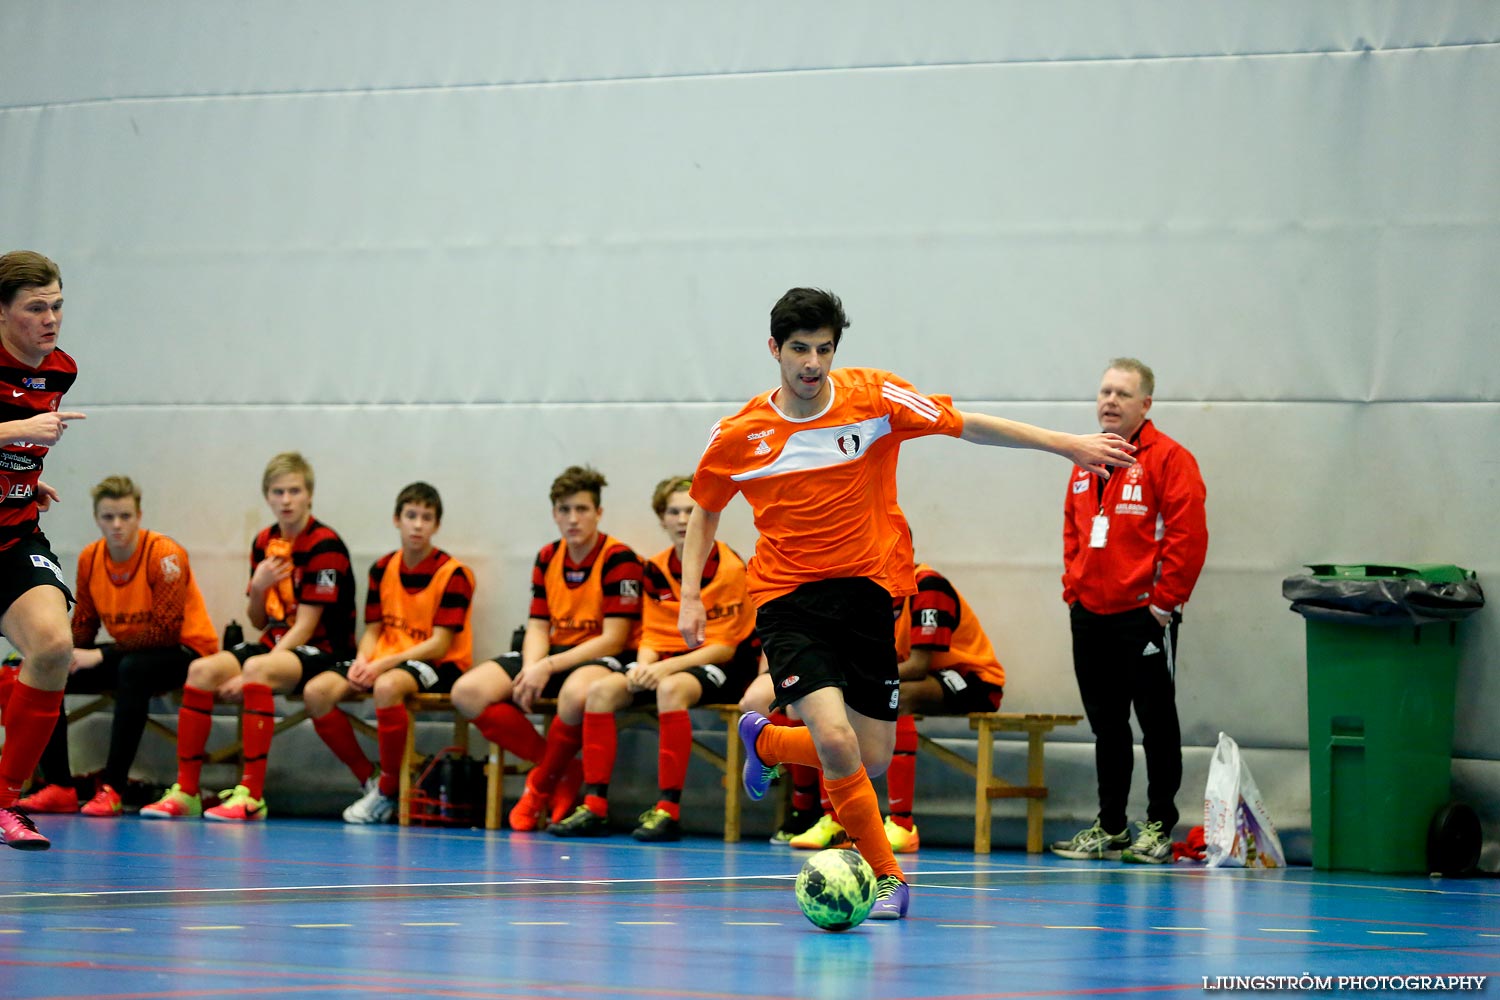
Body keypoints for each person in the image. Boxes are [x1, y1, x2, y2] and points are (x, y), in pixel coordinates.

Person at [680, 287, 1134, 918]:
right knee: (836, 740)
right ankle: (888, 878)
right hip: (788, 600)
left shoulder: (876, 397)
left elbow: (966, 424)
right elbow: (704, 510)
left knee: (870, 757)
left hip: (869, 597)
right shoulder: (739, 435)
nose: (812, 364)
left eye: (824, 350)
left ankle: (769, 744)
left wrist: (1067, 445)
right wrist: (688, 600)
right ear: (774, 351)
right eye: (799, 350)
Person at [140, 452, 356, 822]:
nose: (286, 500)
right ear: (267, 496)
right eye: (277, 492)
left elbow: (304, 627)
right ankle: (187, 791)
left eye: (294, 491)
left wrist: (250, 673)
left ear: (309, 496)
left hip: (324, 651)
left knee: (256, 668)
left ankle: (252, 796)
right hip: (277, 644)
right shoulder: (264, 542)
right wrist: (258, 588)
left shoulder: (325, 545)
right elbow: (259, 621)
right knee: (201, 672)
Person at [1050, 358, 1207, 864]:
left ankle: (1158, 826)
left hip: (1143, 616)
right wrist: (1073, 588)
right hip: (1089, 612)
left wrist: (1161, 609)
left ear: (1146, 404)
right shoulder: (1084, 459)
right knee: (1107, 726)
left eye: (1122, 394)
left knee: (1157, 723)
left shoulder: (1169, 459)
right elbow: (1074, 531)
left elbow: (1187, 539)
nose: (1110, 401)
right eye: (1104, 392)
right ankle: (1112, 825)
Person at [548, 475, 758, 841]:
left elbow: (723, 647)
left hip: (718, 665)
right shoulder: (655, 568)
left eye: (689, 511)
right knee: (600, 692)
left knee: (670, 690)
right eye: (673, 511)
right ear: (661, 519)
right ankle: (594, 807)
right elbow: (652, 634)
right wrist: (643, 666)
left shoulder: (729, 567)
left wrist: (661, 669)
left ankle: (668, 810)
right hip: (665, 662)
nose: (681, 519)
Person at [449, 465, 643, 831]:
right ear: (554, 513)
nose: (573, 519)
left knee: (573, 695)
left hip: (602, 656)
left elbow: (614, 638)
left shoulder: (620, 559)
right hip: (556, 652)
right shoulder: (547, 556)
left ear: (598, 513)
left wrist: (548, 666)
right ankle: (560, 769)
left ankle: (539, 786)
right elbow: (538, 624)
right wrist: (533, 665)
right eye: (564, 510)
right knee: (468, 692)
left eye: (582, 509)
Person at [15, 476, 219, 817]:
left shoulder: (165, 554)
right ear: (97, 519)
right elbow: (84, 624)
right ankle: (59, 786)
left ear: (139, 516)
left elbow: (166, 631)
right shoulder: (91, 558)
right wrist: (60, 654)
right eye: (108, 517)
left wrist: (101, 654)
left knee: (132, 670)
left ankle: (113, 787)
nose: (117, 525)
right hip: (128, 653)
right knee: (50, 671)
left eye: (125, 516)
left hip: (184, 653)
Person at [783, 562, 1006, 855]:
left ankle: (902, 824)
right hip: (907, 677)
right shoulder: (864, 590)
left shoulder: (928, 587)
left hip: (970, 678)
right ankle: (836, 821)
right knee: (826, 705)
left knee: (895, 698)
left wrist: (861, 681)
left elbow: (920, 664)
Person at [302, 482, 475, 824]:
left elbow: (439, 644)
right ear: (396, 519)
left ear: (436, 525)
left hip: (439, 664)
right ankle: (370, 778)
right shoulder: (382, 569)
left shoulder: (454, 574)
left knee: (387, 687)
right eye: (411, 515)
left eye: (426, 518)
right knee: (316, 692)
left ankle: (388, 789)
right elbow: (374, 630)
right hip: (386, 660)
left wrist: (381, 664)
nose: (417, 525)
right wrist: (364, 660)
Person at [0, 250, 87, 850]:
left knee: (54, 646)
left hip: (12, 532)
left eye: (57, 305)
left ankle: (5, 801)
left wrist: (25, 474)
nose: (51, 318)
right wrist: (13, 435)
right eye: (36, 308)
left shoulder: (60, 370)